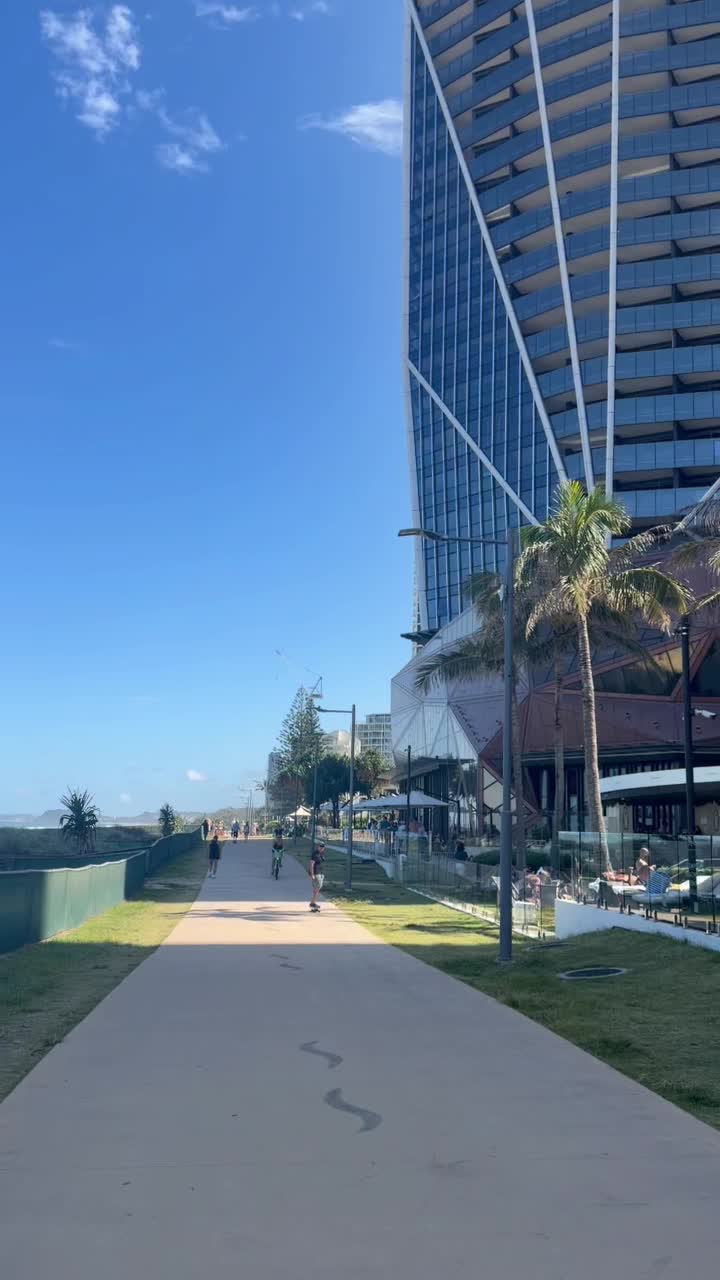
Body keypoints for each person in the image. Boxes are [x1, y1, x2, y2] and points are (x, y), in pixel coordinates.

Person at [309, 840, 326, 912]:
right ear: (318, 846)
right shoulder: (315, 854)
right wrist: (312, 874)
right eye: (320, 846)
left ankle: (313, 903)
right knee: (317, 888)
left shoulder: (321, 853)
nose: (321, 848)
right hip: (316, 873)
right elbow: (311, 864)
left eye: (323, 847)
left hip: (321, 873)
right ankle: (312, 903)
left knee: (317, 888)